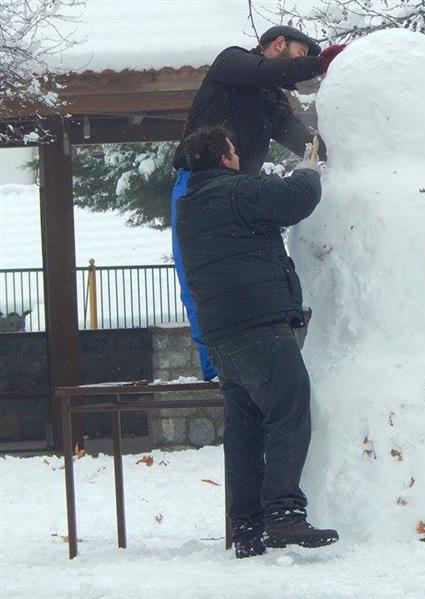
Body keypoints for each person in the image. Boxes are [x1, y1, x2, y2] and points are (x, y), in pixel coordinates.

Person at [175, 125, 338, 558]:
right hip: (258, 329)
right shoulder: (236, 192)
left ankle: (246, 526)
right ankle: (284, 514)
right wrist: (308, 167)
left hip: (222, 337)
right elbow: (297, 198)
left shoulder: (190, 205)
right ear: (225, 158)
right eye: (234, 148)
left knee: (245, 430)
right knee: (288, 412)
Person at [171, 26, 346, 380]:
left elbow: (299, 138)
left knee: (246, 277)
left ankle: (246, 362)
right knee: (198, 278)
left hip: (239, 191)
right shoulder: (233, 63)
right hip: (197, 185)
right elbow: (269, 71)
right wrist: (319, 63)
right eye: (298, 54)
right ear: (278, 44)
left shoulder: (271, 99)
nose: (300, 64)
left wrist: (342, 150)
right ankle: (215, 369)